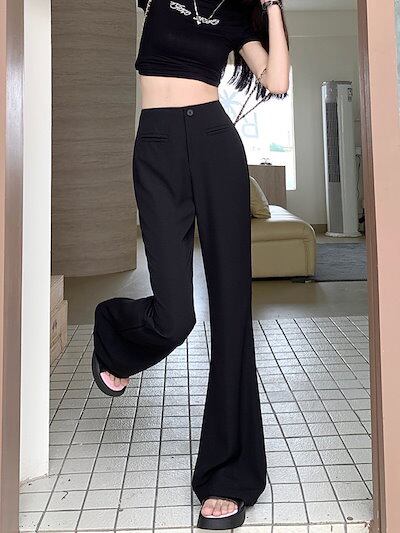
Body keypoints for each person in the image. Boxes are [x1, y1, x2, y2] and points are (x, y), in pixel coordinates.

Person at [92, 0, 290, 529]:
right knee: (175, 315)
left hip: (214, 141)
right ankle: (115, 333)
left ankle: (228, 476)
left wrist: (271, 6)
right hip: (156, 144)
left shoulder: (235, 14)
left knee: (232, 312)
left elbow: (276, 80)